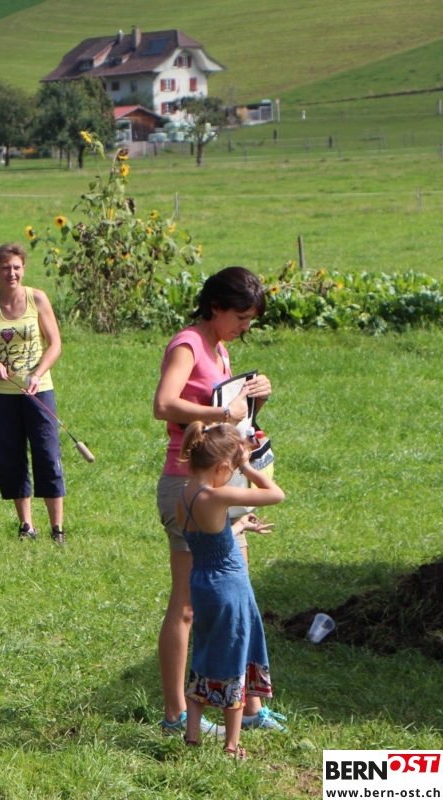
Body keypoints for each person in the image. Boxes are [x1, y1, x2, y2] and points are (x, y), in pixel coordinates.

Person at [152, 266, 283, 737]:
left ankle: (248, 709)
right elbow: (164, 404)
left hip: (221, 482)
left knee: (238, 598)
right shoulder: (187, 344)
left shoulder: (220, 349)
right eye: (240, 317)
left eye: (250, 319)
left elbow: (228, 420)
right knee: (188, 606)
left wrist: (255, 399)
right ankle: (175, 716)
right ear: (215, 307)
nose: (245, 326)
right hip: (189, 487)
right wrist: (222, 411)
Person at [175, 422, 284, 759]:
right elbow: (275, 494)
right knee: (234, 660)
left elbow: (209, 540)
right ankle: (232, 745)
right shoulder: (216, 495)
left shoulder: (185, 495)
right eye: (232, 470)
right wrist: (248, 466)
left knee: (204, 653)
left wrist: (237, 526)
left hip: (202, 584)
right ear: (222, 466)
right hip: (228, 587)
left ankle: (192, 735)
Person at [0, 243, 66, 543]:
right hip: (3, 392)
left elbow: (55, 344)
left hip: (38, 390)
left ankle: (57, 527)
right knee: (11, 455)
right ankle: (26, 525)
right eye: (5, 268)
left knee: (47, 453)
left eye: (16, 267)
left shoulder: (37, 298)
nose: (11, 273)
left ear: (23, 269)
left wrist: (37, 374)